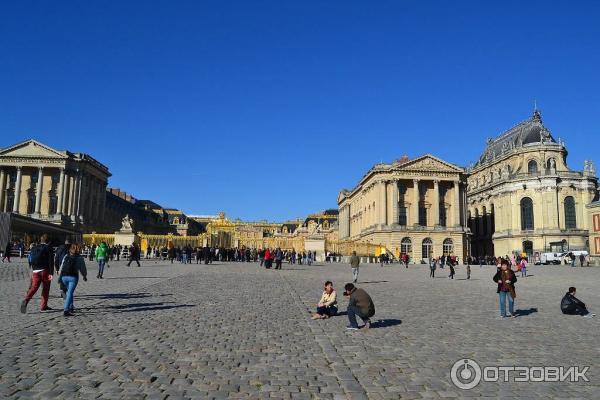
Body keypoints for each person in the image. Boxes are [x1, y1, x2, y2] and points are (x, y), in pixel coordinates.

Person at [21, 234, 54, 313]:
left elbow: (31, 258)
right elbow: (51, 261)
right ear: (48, 241)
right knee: (45, 289)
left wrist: (33, 268)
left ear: (41, 240)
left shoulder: (35, 247)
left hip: (35, 271)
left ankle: (26, 300)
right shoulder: (48, 248)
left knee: (34, 288)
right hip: (45, 271)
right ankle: (43, 306)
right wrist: (51, 273)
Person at [58, 244, 88, 317]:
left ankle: (71, 306)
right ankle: (66, 309)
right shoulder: (79, 257)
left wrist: (59, 276)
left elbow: (61, 267)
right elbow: (82, 268)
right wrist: (84, 275)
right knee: (70, 293)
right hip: (73, 277)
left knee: (68, 292)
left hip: (64, 277)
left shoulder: (66, 256)